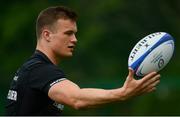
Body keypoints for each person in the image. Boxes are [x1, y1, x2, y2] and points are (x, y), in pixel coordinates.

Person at [5, 6, 160, 115]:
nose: (75, 39)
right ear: (47, 35)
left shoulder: (34, 68)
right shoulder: (40, 70)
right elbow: (77, 99)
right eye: (68, 33)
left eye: (75, 34)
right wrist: (122, 93)